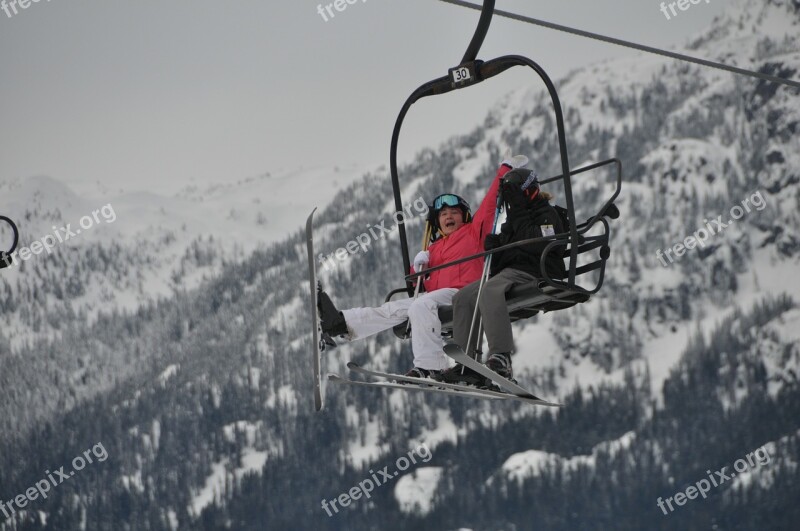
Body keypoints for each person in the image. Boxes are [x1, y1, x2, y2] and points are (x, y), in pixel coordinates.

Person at [317, 155, 529, 378]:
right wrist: (417, 270)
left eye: (454, 212)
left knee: (421, 305)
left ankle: (430, 367)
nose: (448, 217)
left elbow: (489, 203)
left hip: (465, 292)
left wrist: (505, 169)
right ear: (437, 222)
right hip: (437, 297)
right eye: (443, 214)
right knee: (393, 309)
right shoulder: (434, 248)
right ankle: (340, 325)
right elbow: (422, 286)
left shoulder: (474, 232)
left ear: (464, 216)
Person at [437, 168, 566, 386]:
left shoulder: (546, 213)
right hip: (510, 272)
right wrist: (496, 248)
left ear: (527, 192)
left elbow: (539, 243)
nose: (510, 201)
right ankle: (467, 363)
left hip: (536, 270)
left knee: (489, 291)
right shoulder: (514, 219)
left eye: (513, 195)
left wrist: (517, 210)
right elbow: (506, 258)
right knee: (463, 297)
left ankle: (501, 357)